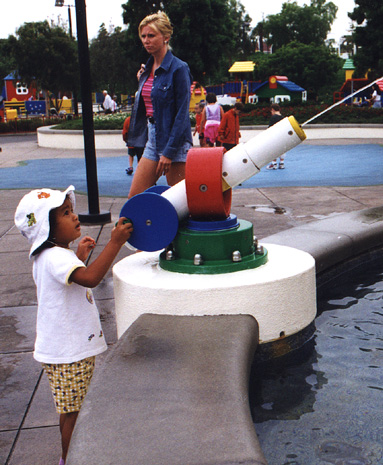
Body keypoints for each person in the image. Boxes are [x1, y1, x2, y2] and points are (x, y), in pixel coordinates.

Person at [14, 186, 132, 465]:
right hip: (68, 351)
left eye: (71, 210)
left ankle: (70, 457)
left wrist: (78, 256)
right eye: (66, 213)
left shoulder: (52, 256)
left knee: (71, 409)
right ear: (47, 228)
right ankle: (70, 459)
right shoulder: (56, 257)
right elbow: (90, 278)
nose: (75, 216)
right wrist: (114, 243)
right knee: (73, 413)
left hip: (65, 348)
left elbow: (68, 280)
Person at [126, 11, 193, 198]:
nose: (146, 40)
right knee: (135, 199)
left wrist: (169, 152)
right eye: (143, 36)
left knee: (182, 202)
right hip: (153, 138)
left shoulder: (179, 68)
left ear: (166, 37)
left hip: (176, 141)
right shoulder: (147, 70)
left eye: (151, 35)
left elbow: (182, 115)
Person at [266, 104, 285, 169]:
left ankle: (274, 163)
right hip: (282, 136)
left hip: (275, 137)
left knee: (273, 149)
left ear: (273, 110)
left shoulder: (273, 118)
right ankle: (281, 163)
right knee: (282, 149)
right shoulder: (283, 117)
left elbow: (270, 128)